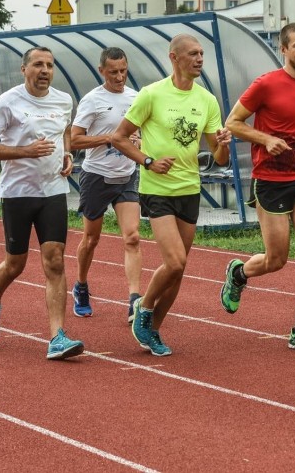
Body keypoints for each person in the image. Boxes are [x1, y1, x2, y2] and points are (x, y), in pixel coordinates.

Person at [220, 22, 295, 353]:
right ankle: (239, 273)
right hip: (270, 179)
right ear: (283, 49)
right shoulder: (266, 84)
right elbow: (232, 123)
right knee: (276, 259)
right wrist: (266, 138)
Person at [111, 34, 231, 357]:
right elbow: (119, 138)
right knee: (174, 261)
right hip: (157, 190)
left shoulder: (207, 101)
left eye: (202, 53)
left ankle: (154, 329)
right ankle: (144, 308)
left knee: (179, 269)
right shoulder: (151, 95)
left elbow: (219, 158)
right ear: (174, 57)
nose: (200, 58)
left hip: (189, 189)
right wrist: (148, 161)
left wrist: (224, 143)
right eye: (193, 53)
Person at [0, 46, 84, 360]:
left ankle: (57, 337)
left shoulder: (64, 100)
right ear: (24, 69)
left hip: (52, 191)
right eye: (38, 64)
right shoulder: (7, 102)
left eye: (49, 65)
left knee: (54, 260)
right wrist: (25, 152)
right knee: (15, 264)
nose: (45, 70)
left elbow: (65, 131)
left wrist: (67, 154)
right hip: (17, 193)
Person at [70, 47, 142, 322]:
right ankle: (81, 285)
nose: (119, 76)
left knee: (133, 237)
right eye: (113, 72)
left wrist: (138, 144)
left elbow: (140, 136)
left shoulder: (137, 98)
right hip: (96, 176)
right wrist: (109, 139)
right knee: (91, 239)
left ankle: (134, 300)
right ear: (102, 71)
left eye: (123, 70)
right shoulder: (92, 101)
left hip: (126, 176)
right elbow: (74, 140)